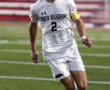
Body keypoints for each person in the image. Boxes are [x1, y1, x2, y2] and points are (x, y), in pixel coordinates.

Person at [29, 0, 92, 90]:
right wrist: (33, 49)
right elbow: (33, 25)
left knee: (82, 86)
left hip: (70, 48)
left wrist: (83, 37)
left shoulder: (68, 3)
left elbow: (78, 20)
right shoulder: (36, 7)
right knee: (70, 86)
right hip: (52, 51)